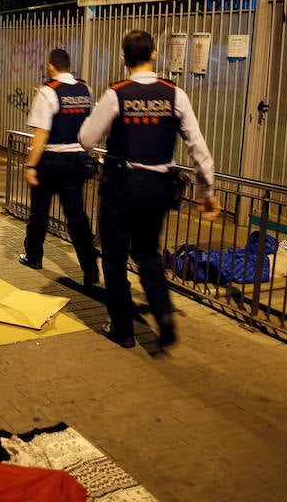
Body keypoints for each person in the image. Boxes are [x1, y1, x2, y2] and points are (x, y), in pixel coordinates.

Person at [78, 29, 220, 349]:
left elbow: (87, 139)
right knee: (147, 253)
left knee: (114, 258)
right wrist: (207, 191)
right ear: (154, 55)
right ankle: (163, 311)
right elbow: (197, 147)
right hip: (158, 186)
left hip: (122, 184)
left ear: (123, 59)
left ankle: (123, 329)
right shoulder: (175, 94)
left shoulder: (117, 93)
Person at [18, 48, 98, 286]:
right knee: (77, 217)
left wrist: (30, 165)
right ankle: (90, 270)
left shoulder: (47, 91)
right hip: (76, 162)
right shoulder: (86, 89)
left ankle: (33, 257)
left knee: (39, 212)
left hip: (51, 162)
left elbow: (41, 134)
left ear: (51, 66)